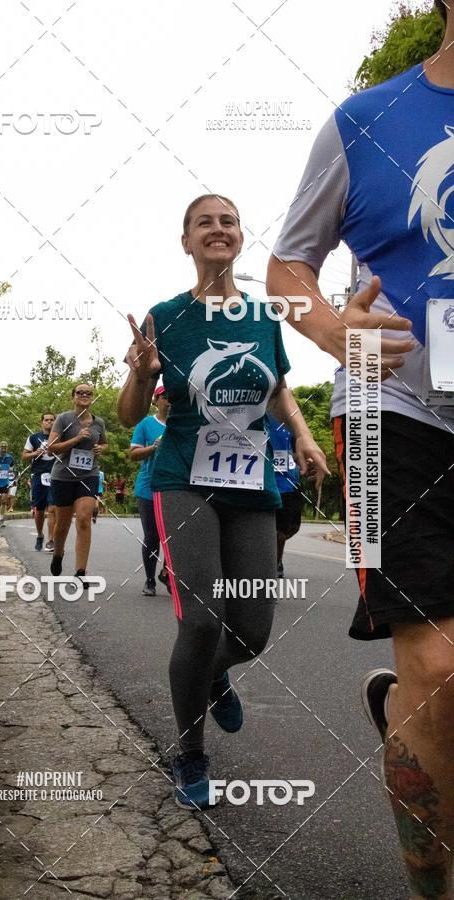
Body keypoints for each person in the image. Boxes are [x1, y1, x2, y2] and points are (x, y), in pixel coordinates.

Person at [267, 4, 454, 893]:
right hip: (390, 409)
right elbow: (287, 269)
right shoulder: (366, 121)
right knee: (439, 664)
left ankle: (411, 720)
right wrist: (336, 332)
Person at [119, 194, 329, 809]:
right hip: (183, 476)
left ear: (240, 237)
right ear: (186, 241)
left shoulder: (263, 315)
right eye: (204, 223)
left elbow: (278, 389)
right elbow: (129, 415)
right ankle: (190, 753)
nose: (218, 229)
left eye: (228, 221)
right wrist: (141, 373)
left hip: (251, 481)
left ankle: (212, 675)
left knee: (253, 631)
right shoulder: (165, 316)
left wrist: (305, 434)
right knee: (203, 618)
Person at [47, 383, 108, 578]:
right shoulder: (64, 419)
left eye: (88, 393)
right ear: (73, 397)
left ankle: (80, 571)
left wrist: (100, 448)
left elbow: (104, 443)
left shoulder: (99, 423)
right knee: (62, 524)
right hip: (63, 476)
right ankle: (58, 554)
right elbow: (51, 448)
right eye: (80, 392)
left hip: (88, 475)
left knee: (83, 519)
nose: (84, 395)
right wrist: (76, 439)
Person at [130, 384, 171, 596]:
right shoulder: (146, 424)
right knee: (152, 536)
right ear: (156, 400)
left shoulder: (183, 423)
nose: (169, 399)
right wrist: (153, 447)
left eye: (172, 395)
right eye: (164, 396)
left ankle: (167, 574)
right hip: (149, 487)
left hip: (175, 487)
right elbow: (133, 453)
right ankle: (149, 580)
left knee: (174, 536)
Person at [267, 413, 302, 577]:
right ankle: (275, 563)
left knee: (290, 528)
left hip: (288, 483)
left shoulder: (289, 418)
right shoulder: (254, 414)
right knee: (274, 530)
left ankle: (274, 560)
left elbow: (297, 450)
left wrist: (302, 459)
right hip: (260, 482)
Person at [22, 413, 57, 551]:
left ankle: (51, 540)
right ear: (41, 422)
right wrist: (34, 453)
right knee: (39, 511)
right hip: (38, 476)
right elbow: (24, 456)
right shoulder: (33, 438)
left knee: (53, 508)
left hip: (56, 475)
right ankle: (40, 535)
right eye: (46, 420)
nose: (49, 422)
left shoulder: (60, 437)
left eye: (52, 420)